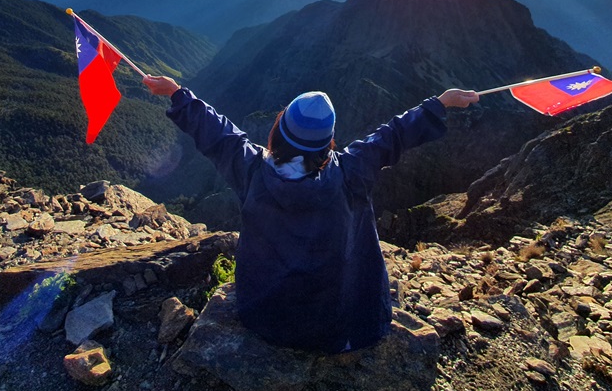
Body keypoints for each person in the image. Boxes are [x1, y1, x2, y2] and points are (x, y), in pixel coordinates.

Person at [143, 74, 479, 354]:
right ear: (328, 142)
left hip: (265, 316)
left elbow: (218, 134)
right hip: (347, 326)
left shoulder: (251, 170)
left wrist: (177, 94)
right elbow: (393, 135)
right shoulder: (352, 172)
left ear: (279, 130)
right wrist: (441, 103)